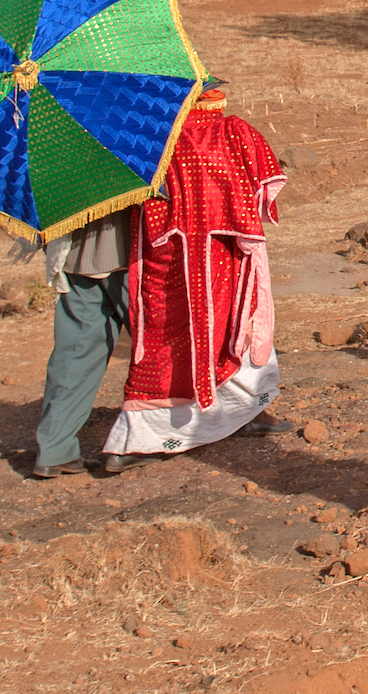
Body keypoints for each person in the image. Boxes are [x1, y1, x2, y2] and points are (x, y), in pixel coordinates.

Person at [102, 80, 296, 472]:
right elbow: (262, 188)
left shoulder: (144, 136)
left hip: (164, 260)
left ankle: (136, 440)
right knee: (233, 329)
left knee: (163, 340)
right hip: (224, 258)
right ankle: (236, 415)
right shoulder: (231, 131)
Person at [30, 205, 134, 478]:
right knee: (159, 347)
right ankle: (143, 442)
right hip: (132, 251)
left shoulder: (53, 160)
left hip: (75, 251)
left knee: (76, 351)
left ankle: (55, 449)